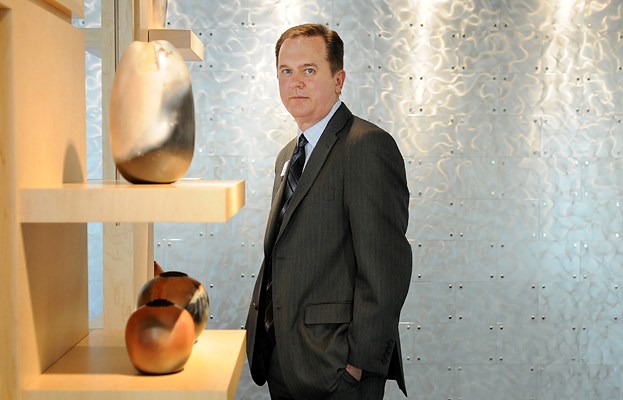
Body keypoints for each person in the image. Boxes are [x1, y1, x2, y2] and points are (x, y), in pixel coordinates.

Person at [245, 23, 412, 400]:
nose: (295, 83)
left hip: (337, 369)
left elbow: (386, 267)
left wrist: (357, 365)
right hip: (283, 359)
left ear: (339, 79)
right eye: (286, 72)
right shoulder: (288, 155)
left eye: (308, 70)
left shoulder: (367, 146)